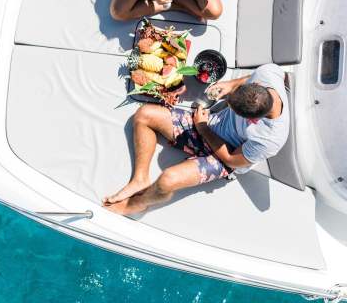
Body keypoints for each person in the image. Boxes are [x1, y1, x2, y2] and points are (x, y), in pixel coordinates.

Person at [103, 64, 289, 215]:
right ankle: (139, 179)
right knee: (144, 114)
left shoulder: (271, 139)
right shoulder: (267, 73)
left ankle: (137, 204)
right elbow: (277, 75)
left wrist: (202, 128)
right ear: (258, 86)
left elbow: (233, 160)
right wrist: (231, 85)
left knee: (167, 180)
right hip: (207, 124)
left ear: (253, 120)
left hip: (223, 156)